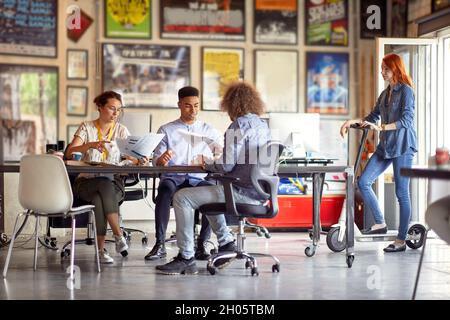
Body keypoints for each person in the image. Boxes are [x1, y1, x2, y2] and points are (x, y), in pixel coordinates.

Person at [156, 81, 271, 275]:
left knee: (182, 197)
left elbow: (225, 166)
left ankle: (186, 257)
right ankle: (226, 243)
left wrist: (206, 163)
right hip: (260, 192)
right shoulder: (263, 125)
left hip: (239, 191)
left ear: (232, 104)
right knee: (207, 193)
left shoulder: (238, 126)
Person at [340, 53, 417, 253]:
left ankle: (401, 240)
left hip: (403, 147)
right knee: (363, 182)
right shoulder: (385, 94)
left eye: (386, 69)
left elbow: (407, 121)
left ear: (396, 70)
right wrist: (351, 122)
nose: (382, 72)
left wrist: (382, 128)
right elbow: (371, 118)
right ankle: (380, 222)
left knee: (401, 193)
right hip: (386, 147)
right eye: (382, 68)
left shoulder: (406, 92)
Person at [66, 91, 145, 263]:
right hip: (86, 182)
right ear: (100, 107)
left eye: (119, 110)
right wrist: (90, 145)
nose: (116, 113)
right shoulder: (87, 127)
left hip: (113, 183)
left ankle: (101, 251)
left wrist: (136, 158)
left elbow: (131, 156)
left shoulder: (121, 130)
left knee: (99, 197)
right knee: (101, 186)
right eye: (111, 108)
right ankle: (118, 235)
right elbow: (69, 152)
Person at [145, 86, 223, 261]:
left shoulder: (209, 130)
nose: (193, 110)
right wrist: (162, 159)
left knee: (212, 193)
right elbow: (157, 161)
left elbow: (220, 155)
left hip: (198, 178)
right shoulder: (166, 129)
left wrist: (214, 158)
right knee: (164, 191)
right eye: (188, 106)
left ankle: (202, 244)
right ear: (179, 105)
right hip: (174, 178)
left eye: (196, 105)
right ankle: (160, 244)